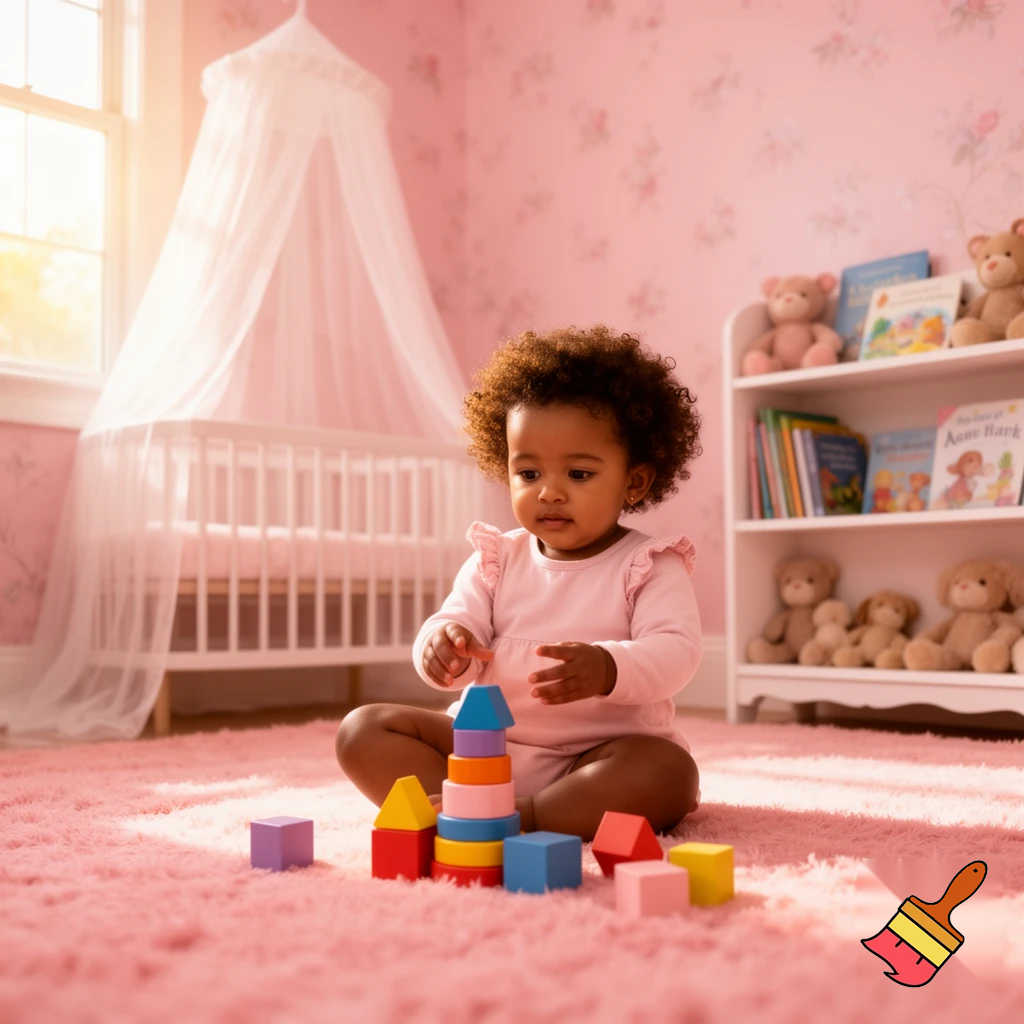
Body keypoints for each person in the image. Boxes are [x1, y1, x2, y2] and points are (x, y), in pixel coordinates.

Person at [335, 325, 703, 841]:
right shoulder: (497, 557)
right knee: (362, 730)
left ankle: (528, 817)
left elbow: (676, 653)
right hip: (481, 750)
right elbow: (455, 617)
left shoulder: (647, 563)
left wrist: (607, 667)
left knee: (669, 774)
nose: (549, 492)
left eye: (578, 474)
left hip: (594, 758)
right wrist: (442, 645)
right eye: (528, 474)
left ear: (634, 481)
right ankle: (472, 804)